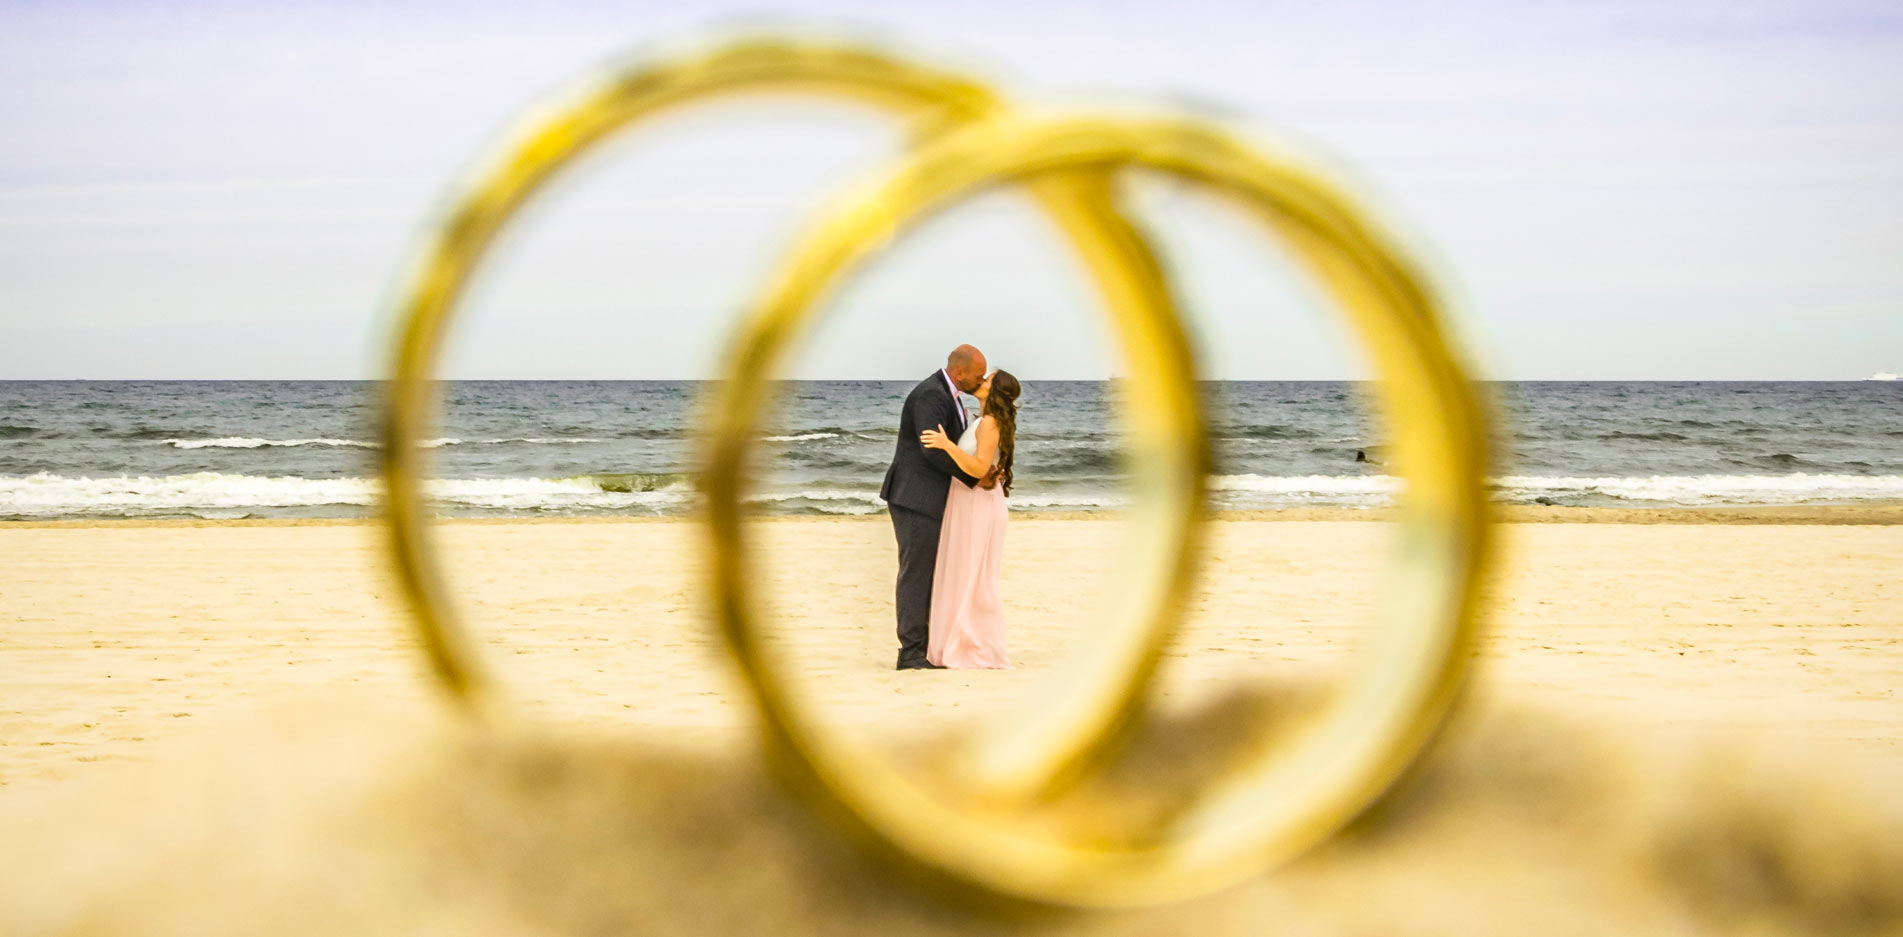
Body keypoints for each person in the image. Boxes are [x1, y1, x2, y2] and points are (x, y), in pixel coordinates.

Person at [879, 344, 985, 670]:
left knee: (929, 575)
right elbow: (932, 450)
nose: (980, 382)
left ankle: (926, 648)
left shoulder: (949, 397)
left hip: (927, 497)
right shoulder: (931, 395)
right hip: (915, 498)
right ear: (959, 372)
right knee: (917, 575)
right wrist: (974, 477)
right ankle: (910, 652)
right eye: (977, 376)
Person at [918, 369, 1019, 669]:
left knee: (971, 575)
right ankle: (956, 639)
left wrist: (946, 444)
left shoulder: (988, 423)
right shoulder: (981, 419)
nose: (981, 381)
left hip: (976, 503)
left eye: (987, 379)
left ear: (996, 391)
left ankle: (972, 645)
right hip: (967, 501)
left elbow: (978, 468)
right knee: (963, 572)